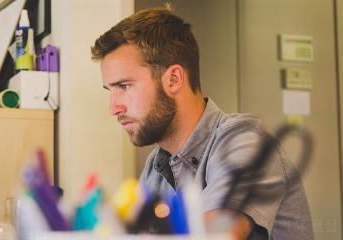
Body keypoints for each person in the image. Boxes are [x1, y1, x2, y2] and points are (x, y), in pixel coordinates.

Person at [91, 4, 314, 240]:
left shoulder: (245, 140)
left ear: (174, 79)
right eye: (110, 90)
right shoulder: (155, 167)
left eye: (124, 86)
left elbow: (215, 234)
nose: (113, 107)